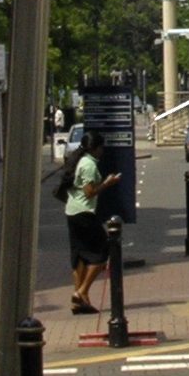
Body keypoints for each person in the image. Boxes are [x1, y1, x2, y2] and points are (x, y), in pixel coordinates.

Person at [64, 131, 120, 313]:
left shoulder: (77, 160)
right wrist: (107, 183)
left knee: (80, 256)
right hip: (84, 213)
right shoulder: (88, 165)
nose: (102, 151)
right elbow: (89, 192)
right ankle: (81, 292)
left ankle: (79, 302)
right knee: (102, 253)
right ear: (95, 148)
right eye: (101, 147)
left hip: (72, 211)